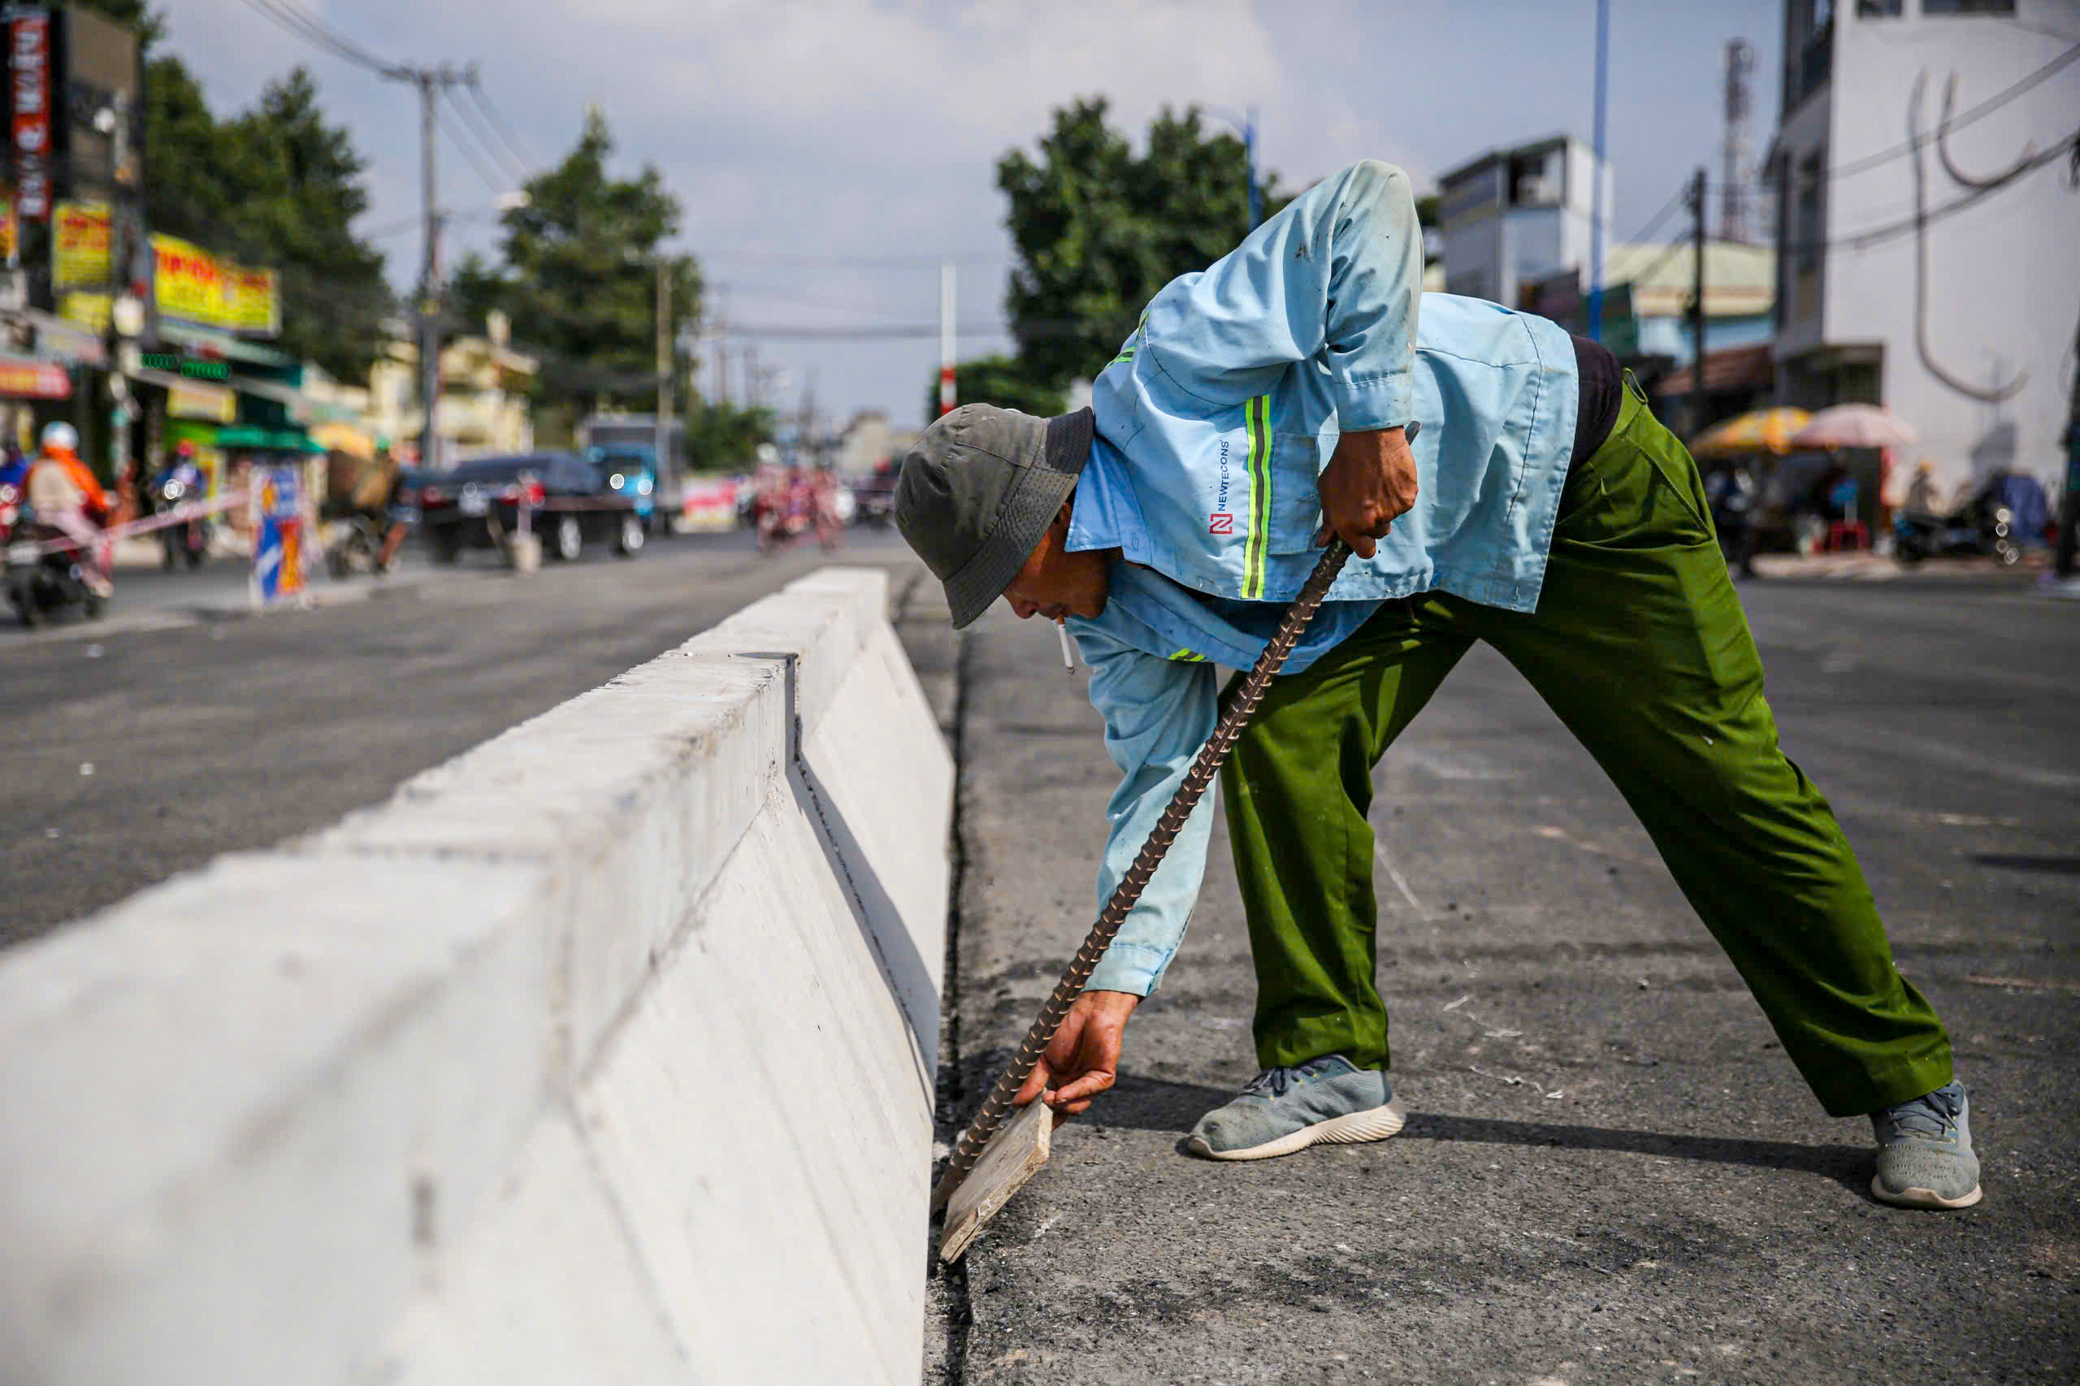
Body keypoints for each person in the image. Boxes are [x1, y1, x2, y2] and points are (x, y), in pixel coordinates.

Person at [894, 161, 1979, 1211]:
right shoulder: (1119, 629)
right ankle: (1327, 1064)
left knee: (1719, 781)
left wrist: (1370, 422)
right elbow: (1162, 784)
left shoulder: (1172, 367)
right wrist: (1113, 986)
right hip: (1398, 576)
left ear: (1051, 508)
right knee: (1273, 738)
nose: (1021, 611)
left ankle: (1909, 1089)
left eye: (1008, 581)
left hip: (1566, 481)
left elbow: (1364, 204)